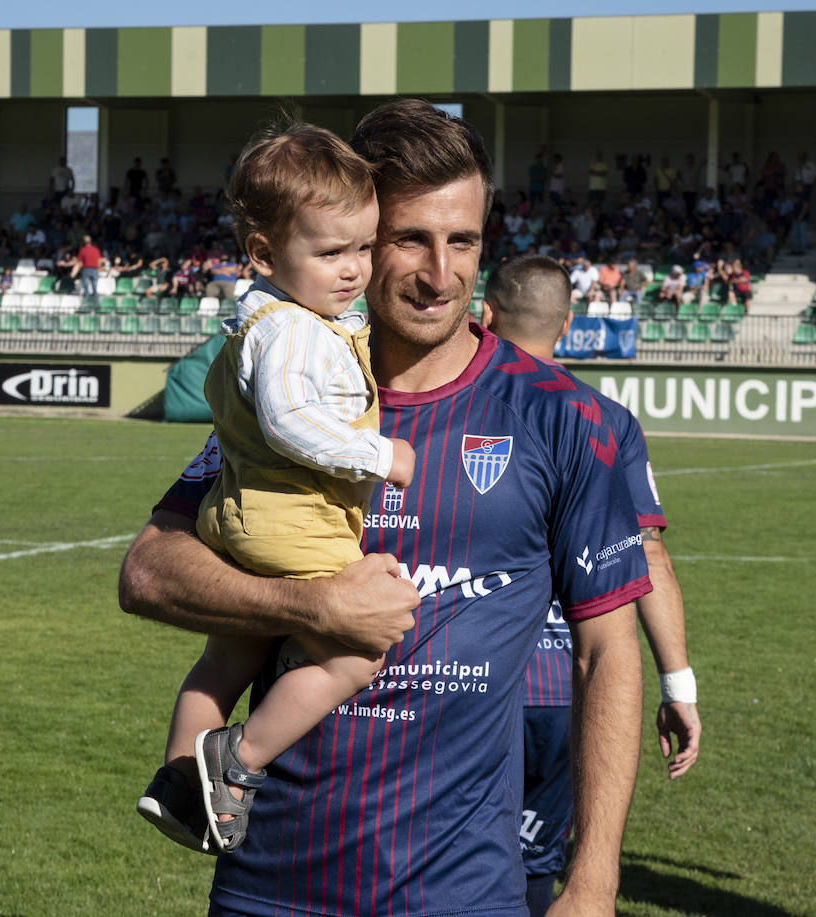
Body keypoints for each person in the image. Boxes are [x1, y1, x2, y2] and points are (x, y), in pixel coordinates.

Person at [118, 99, 648, 917]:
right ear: (361, 240)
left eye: (463, 240)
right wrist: (309, 603)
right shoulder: (300, 396)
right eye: (410, 240)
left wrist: (593, 882)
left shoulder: (568, 421)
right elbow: (149, 570)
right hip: (275, 885)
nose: (441, 273)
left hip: (465, 890)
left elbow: (607, 652)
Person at [134, 123, 417, 856]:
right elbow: (293, 422)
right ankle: (240, 759)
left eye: (363, 246)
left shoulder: (263, 312)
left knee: (226, 661)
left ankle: (175, 781)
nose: (354, 269)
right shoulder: (291, 331)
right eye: (331, 253)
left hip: (237, 514)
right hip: (289, 522)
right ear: (263, 252)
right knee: (357, 652)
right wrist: (377, 454)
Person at [479, 255, 701, 916]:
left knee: (448, 865)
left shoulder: (454, 406)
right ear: (569, 326)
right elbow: (649, 557)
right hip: (568, 690)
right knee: (534, 871)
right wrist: (678, 684)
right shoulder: (604, 417)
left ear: (484, 317)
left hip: (471, 680)